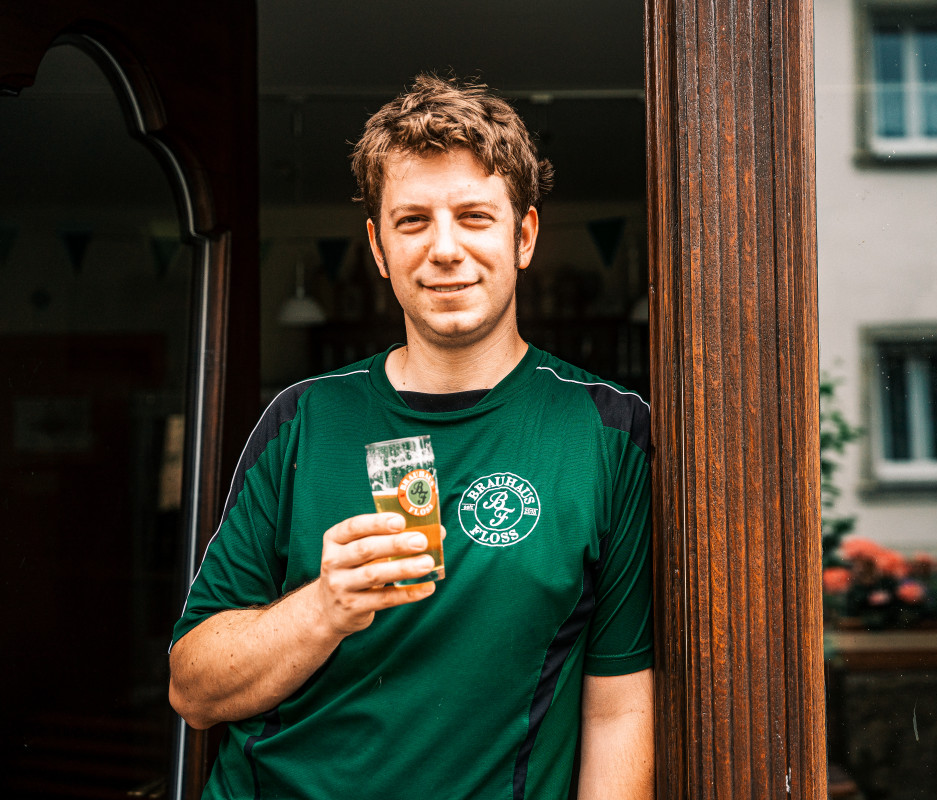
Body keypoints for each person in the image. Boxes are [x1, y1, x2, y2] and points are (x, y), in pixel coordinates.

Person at [168, 74, 654, 799]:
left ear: (523, 236)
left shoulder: (607, 432)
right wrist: (323, 606)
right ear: (377, 247)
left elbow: (618, 709)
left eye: (474, 217)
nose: (446, 249)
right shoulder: (304, 420)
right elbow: (193, 689)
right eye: (413, 221)